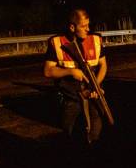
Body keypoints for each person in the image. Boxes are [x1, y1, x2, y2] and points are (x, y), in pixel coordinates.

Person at [44, 9, 107, 144]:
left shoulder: (96, 40)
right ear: (72, 27)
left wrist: (96, 85)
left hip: (94, 97)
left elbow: (103, 65)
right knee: (71, 137)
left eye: (88, 25)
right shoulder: (56, 42)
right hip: (71, 100)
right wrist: (71, 72)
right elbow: (48, 71)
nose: (88, 29)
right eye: (83, 26)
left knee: (96, 136)